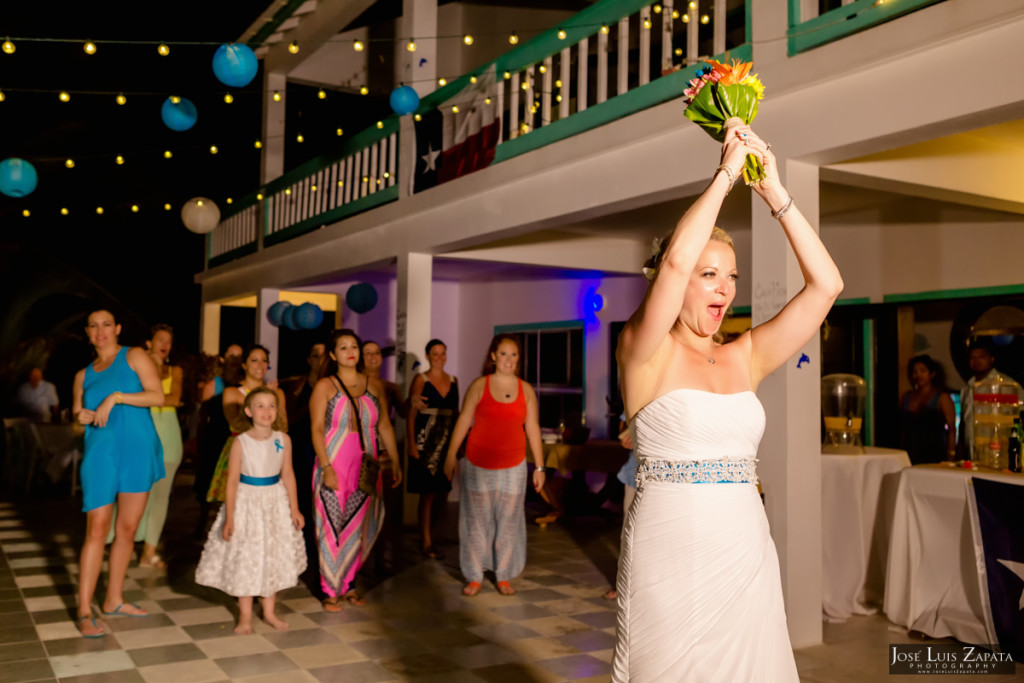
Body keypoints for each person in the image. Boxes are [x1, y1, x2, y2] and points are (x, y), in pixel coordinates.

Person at [610, 124, 843, 680]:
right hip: (671, 547)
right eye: (708, 274)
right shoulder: (644, 352)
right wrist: (725, 175)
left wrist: (775, 194)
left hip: (744, 546)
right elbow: (672, 263)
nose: (724, 288)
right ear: (678, 282)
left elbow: (827, 286)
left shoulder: (746, 356)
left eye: (731, 277)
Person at [71, 309, 166, 638]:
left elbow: (158, 395)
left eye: (106, 325)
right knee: (97, 530)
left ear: (118, 329)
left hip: (137, 452)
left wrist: (117, 397)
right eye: (94, 326)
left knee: (127, 530)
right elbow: (76, 416)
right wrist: (80, 417)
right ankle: (85, 609)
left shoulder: (135, 355)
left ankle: (113, 599)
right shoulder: (83, 375)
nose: (101, 331)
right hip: (101, 455)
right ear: (88, 332)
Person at [195, 387, 306, 634]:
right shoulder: (240, 442)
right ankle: (245, 616)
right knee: (248, 555)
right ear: (248, 411)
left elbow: (288, 474)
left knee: (271, 555)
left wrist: (294, 508)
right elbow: (232, 480)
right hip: (248, 503)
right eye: (260, 406)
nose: (267, 411)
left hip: (274, 502)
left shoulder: (283, 439)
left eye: (271, 406)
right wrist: (230, 517)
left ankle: (269, 612)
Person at [443, 334, 546, 597]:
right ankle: (474, 576)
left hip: (514, 465)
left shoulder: (526, 390)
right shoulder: (480, 385)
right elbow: (464, 420)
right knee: (476, 522)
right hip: (478, 463)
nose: (509, 359)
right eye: (503, 354)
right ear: (493, 356)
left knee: (508, 521)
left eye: (513, 354)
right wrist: (451, 455)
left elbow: (532, 428)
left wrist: (540, 467)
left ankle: (503, 574)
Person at [309, 329, 402, 611]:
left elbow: (384, 424)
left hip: (366, 465)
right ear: (334, 354)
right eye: (344, 347)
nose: (351, 351)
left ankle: (348, 584)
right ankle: (329, 589)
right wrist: (325, 466)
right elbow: (315, 429)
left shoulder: (373, 385)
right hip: (334, 462)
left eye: (354, 347)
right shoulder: (325, 386)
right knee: (330, 524)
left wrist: (395, 460)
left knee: (357, 526)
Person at [206, 345, 288, 503]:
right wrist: (262, 401)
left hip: (269, 452)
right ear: (244, 365)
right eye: (254, 360)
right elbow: (236, 425)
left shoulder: (277, 393)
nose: (260, 365)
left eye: (264, 361)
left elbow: (283, 426)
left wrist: (272, 399)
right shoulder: (233, 392)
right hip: (242, 452)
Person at [406, 339, 458, 559]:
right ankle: (426, 540)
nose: (440, 357)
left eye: (443, 353)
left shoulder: (454, 380)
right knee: (427, 493)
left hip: (446, 438)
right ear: (427, 356)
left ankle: (435, 534)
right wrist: (411, 445)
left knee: (442, 491)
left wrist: (458, 445)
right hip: (425, 439)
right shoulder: (421, 379)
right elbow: (410, 414)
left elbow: (457, 413)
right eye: (435, 353)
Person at [285, 342, 326, 580]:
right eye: (315, 355)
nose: (320, 360)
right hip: (301, 447)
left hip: (324, 448)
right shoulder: (299, 385)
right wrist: (312, 410)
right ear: (309, 359)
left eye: (323, 356)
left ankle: (322, 547)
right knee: (302, 496)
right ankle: (304, 548)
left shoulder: (332, 384)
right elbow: (288, 419)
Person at [958, 339, 1024, 460]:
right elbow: (964, 423)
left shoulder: (1007, 386)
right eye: (973, 357)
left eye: (981, 357)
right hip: (972, 456)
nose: (976, 361)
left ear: (991, 359)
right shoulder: (967, 388)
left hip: (999, 455)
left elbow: (1021, 418)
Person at [602, 418, 636, 601]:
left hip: (674, 474)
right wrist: (629, 434)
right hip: (636, 472)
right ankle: (624, 586)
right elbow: (624, 427)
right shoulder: (643, 389)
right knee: (629, 534)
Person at [900, 354, 956, 465]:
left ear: (932, 374)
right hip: (910, 453)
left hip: (935, 455)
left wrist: (951, 455)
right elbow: (902, 428)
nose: (918, 375)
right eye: (915, 372)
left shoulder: (942, 398)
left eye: (923, 371)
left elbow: (952, 430)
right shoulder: (906, 396)